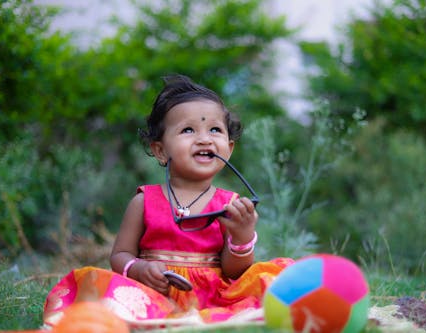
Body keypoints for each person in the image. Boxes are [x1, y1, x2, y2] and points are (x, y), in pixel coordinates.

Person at [43, 74, 293, 328]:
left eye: (214, 129)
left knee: (274, 281)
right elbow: (119, 254)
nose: (204, 139)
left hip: (211, 297)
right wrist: (139, 269)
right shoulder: (144, 201)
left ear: (228, 148)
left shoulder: (230, 205)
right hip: (151, 294)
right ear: (160, 150)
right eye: (188, 130)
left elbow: (233, 272)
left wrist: (241, 238)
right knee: (99, 291)